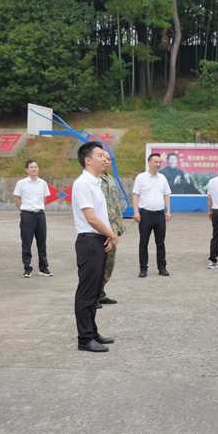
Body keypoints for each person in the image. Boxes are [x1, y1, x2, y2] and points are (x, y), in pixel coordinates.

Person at [71, 141, 118, 352]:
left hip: (98, 241)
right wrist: (112, 235)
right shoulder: (83, 184)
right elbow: (91, 218)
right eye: (100, 155)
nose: (104, 158)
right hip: (89, 242)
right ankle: (84, 339)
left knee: (95, 291)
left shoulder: (96, 183)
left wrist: (108, 235)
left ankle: (92, 331)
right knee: (86, 292)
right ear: (88, 160)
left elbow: (101, 216)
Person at [132, 153, 173, 278]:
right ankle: (143, 268)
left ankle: (162, 267)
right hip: (145, 214)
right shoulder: (141, 177)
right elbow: (135, 195)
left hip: (159, 214)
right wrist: (136, 212)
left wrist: (168, 211)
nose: (158, 164)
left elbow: (166, 195)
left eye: (160, 162)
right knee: (143, 243)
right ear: (149, 163)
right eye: (155, 162)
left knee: (160, 243)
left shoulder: (162, 178)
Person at [13, 159, 52, 278]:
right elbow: (17, 199)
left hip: (40, 215)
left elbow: (44, 199)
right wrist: (23, 211)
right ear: (27, 169)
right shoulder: (21, 183)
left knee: (42, 242)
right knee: (27, 242)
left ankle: (43, 268)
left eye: (36, 167)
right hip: (27, 215)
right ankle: (27, 268)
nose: (34, 169)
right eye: (31, 167)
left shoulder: (43, 183)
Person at [98, 149, 127, 304]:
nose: (106, 161)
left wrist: (119, 226)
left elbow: (115, 205)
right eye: (103, 158)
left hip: (113, 229)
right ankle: (93, 296)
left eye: (109, 159)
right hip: (99, 229)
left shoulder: (110, 179)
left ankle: (100, 294)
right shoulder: (93, 180)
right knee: (97, 265)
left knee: (109, 264)